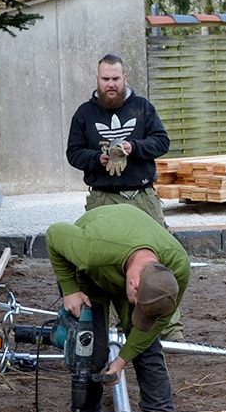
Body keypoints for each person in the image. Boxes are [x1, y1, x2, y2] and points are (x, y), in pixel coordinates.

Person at [45, 204, 190, 412]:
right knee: (90, 351)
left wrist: (122, 360)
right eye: (138, 305)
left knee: (149, 355)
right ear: (134, 285)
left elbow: (149, 329)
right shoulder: (92, 249)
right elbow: (54, 234)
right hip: (91, 276)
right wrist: (70, 290)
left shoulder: (176, 271)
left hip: (125, 269)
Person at [67, 53, 184, 341]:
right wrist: (99, 158)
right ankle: (115, 328)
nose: (111, 84)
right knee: (104, 263)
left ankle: (168, 327)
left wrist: (133, 147)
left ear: (124, 78)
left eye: (115, 79)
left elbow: (162, 142)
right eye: (105, 79)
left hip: (143, 196)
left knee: (159, 258)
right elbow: (73, 153)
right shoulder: (84, 114)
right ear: (97, 79)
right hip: (104, 199)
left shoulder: (143, 108)